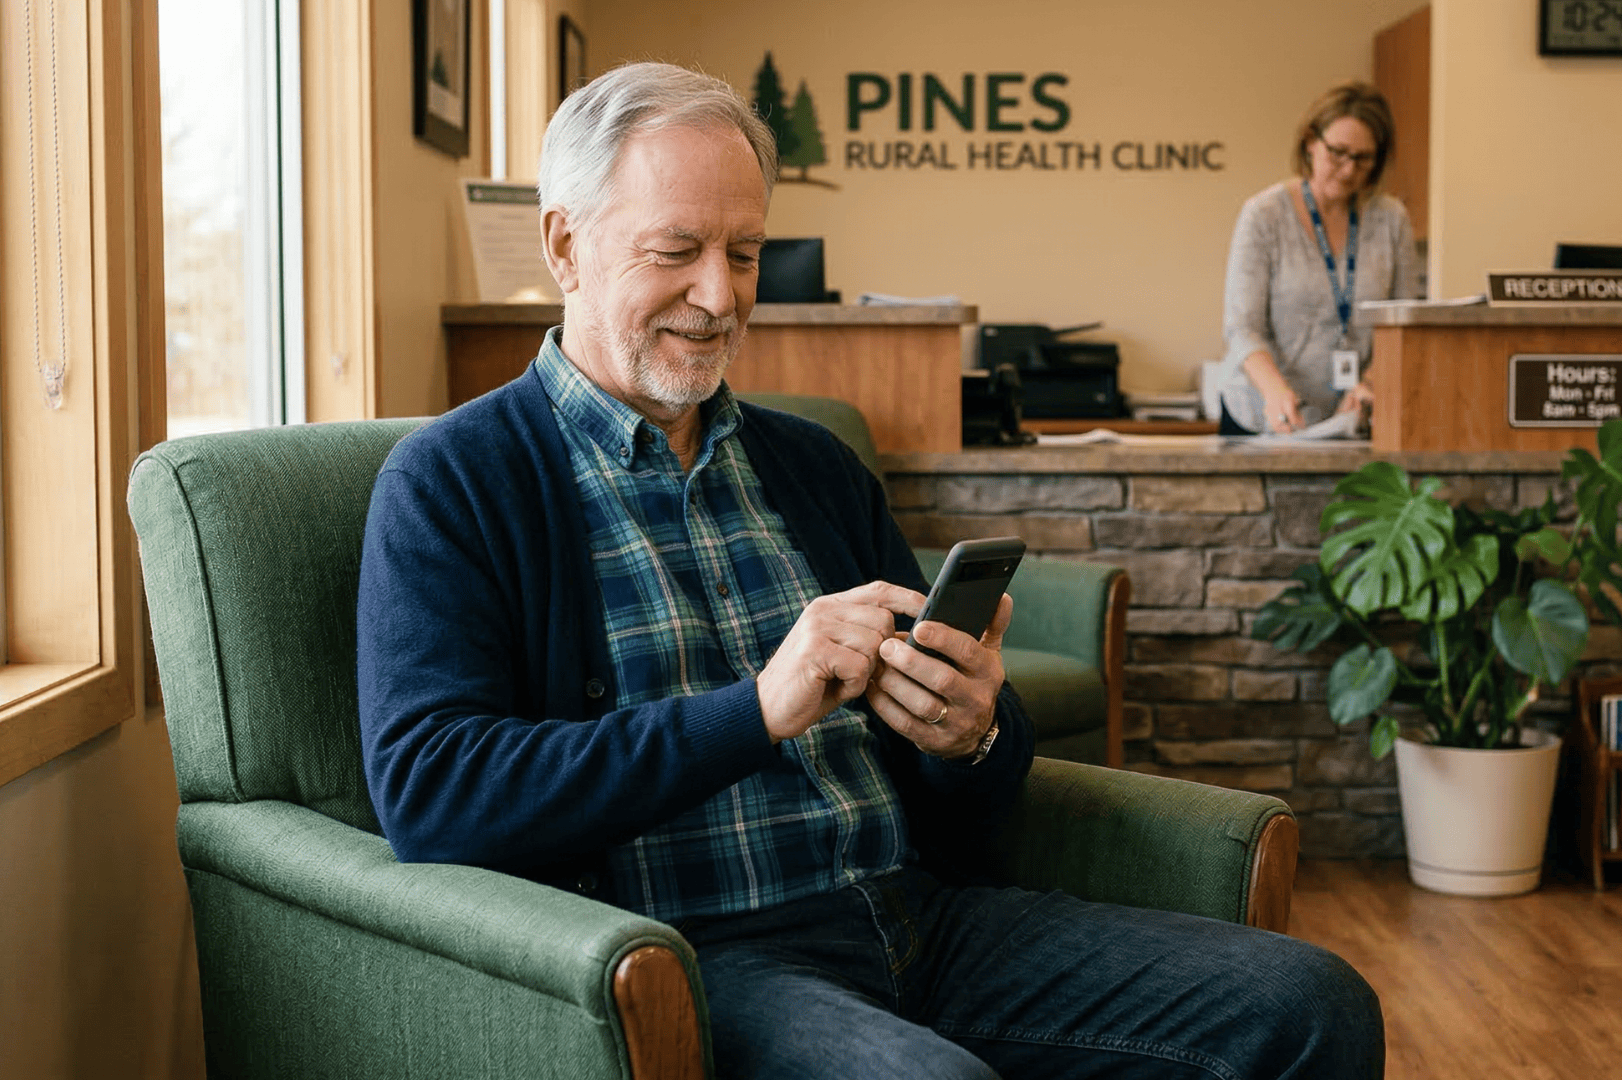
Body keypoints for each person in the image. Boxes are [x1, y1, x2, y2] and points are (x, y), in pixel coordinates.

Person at [356, 61, 1383, 1079]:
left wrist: (971, 732)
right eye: (676, 251)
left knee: (1312, 1004)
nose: (719, 296)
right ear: (565, 245)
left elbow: (973, 784)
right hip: (704, 959)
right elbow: (432, 791)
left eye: (745, 254)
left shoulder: (815, 468)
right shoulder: (454, 480)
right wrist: (756, 711)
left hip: (921, 918)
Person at [1218, 81, 1423, 437]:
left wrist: (1369, 383)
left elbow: (1401, 326)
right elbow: (1242, 327)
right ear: (1311, 142)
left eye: (1362, 159)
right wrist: (1276, 392)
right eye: (1338, 153)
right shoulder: (1264, 215)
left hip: (1352, 419)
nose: (1348, 171)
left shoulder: (1391, 220)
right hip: (1264, 415)